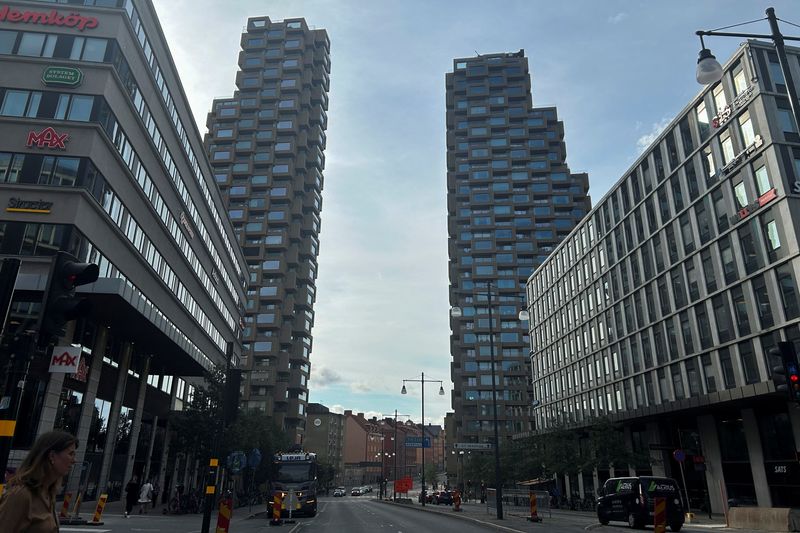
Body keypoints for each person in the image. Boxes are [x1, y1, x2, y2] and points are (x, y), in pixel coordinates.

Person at [0, 430, 78, 533]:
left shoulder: (48, 493)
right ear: (52, 456)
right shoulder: (21, 496)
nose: (74, 460)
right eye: (70, 454)